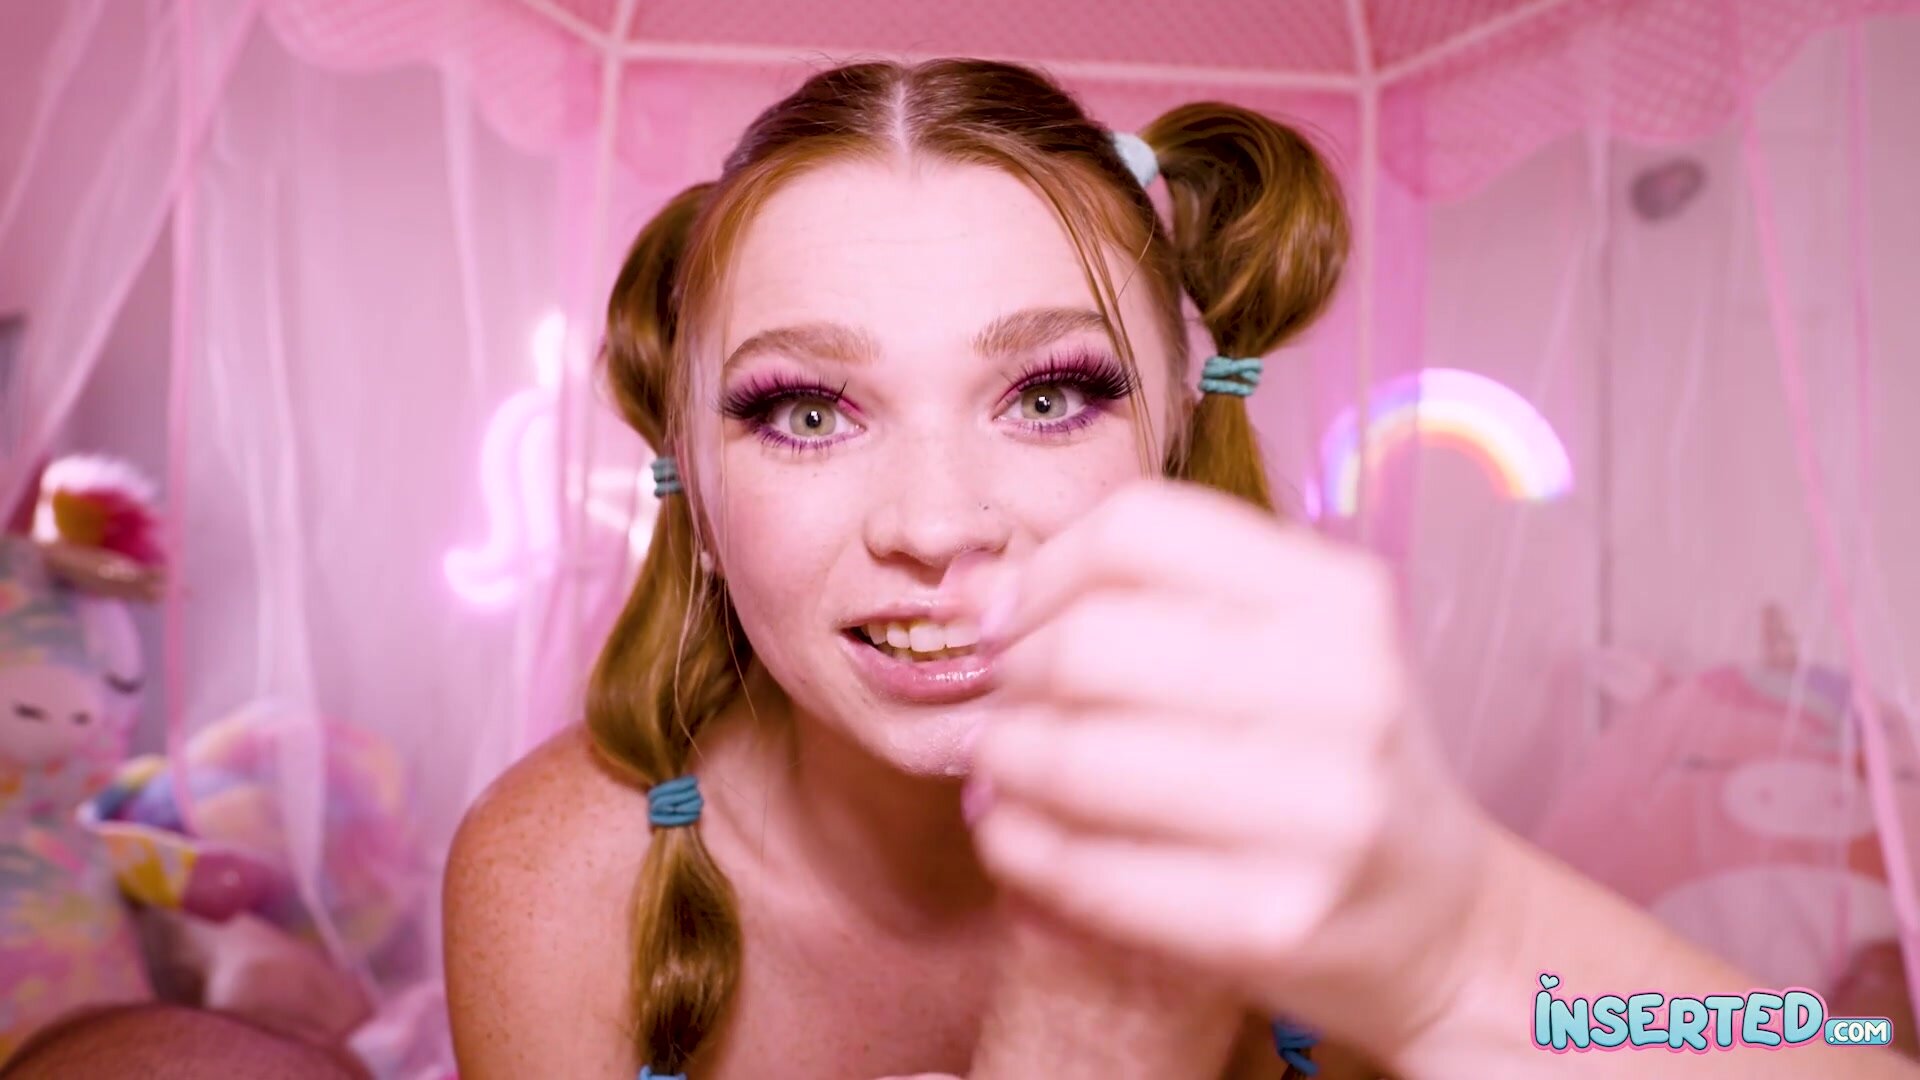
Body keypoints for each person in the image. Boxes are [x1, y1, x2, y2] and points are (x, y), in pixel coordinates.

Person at [443, 57, 1920, 1080]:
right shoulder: (558, 885)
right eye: (808, 412)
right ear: (694, 480)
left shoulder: (1313, 844)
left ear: (1171, 429)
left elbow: (1832, 1053)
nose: (938, 523)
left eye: (1048, 395)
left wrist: (1457, 940)